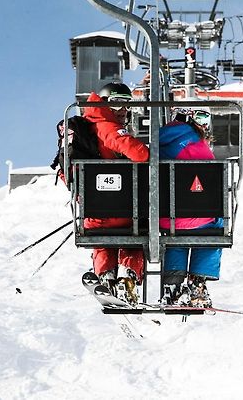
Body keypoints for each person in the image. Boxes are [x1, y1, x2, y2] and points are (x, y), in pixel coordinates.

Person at [83, 82, 149, 305]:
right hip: (119, 211)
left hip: (93, 212)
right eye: (118, 103)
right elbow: (139, 153)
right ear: (104, 103)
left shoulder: (90, 124)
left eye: (127, 104)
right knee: (137, 235)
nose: (123, 110)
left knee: (104, 242)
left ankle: (106, 277)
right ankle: (127, 278)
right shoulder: (107, 126)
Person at [158, 105, 222, 308]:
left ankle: (173, 288)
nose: (204, 125)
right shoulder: (197, 144)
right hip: (199, 215)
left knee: (177, 237)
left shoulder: (157, 141)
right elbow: (212, 184)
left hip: (166, 217)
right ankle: (197, 285)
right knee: (215, 230)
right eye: (201, 118)